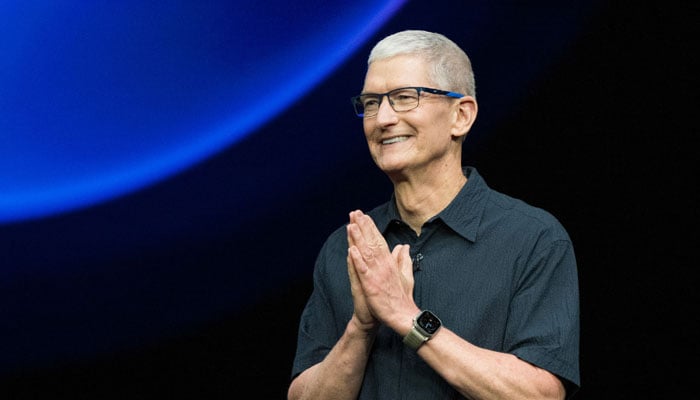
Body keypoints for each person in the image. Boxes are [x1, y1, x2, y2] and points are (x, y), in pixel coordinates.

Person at [287, 29, 580, 400]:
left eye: (405, 98)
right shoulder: (345, 247)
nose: (383, 119)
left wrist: (407, 318)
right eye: (372, 102)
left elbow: (540, 395)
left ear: (461, 115)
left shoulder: (532, 238)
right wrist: (361, 327)